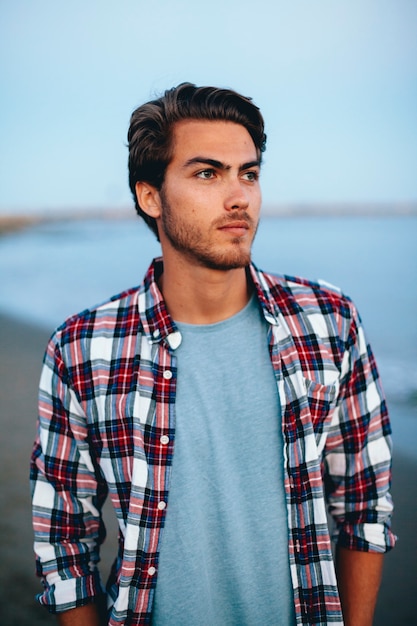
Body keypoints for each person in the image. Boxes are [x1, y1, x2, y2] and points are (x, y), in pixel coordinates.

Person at [31, 83, 396, 626]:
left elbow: (363, 506)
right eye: (207, 173)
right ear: (150, 196)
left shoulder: (329, 321)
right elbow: (64, 538)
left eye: (248, 174)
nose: (239, 197)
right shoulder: (84, 348)